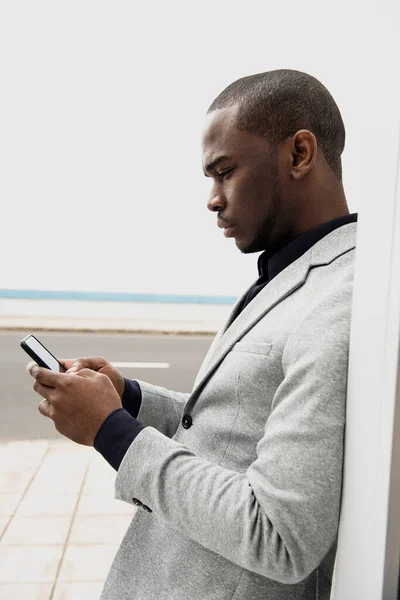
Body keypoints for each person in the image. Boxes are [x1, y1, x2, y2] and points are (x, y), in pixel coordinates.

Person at [28, 69, 357, 600]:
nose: (212, 198)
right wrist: (129, 399)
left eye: (224, 171)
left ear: (300, 154)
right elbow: (234, 428)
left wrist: (112, 432)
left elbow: (280, 535)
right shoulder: (293, 272)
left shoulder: (339, 300)